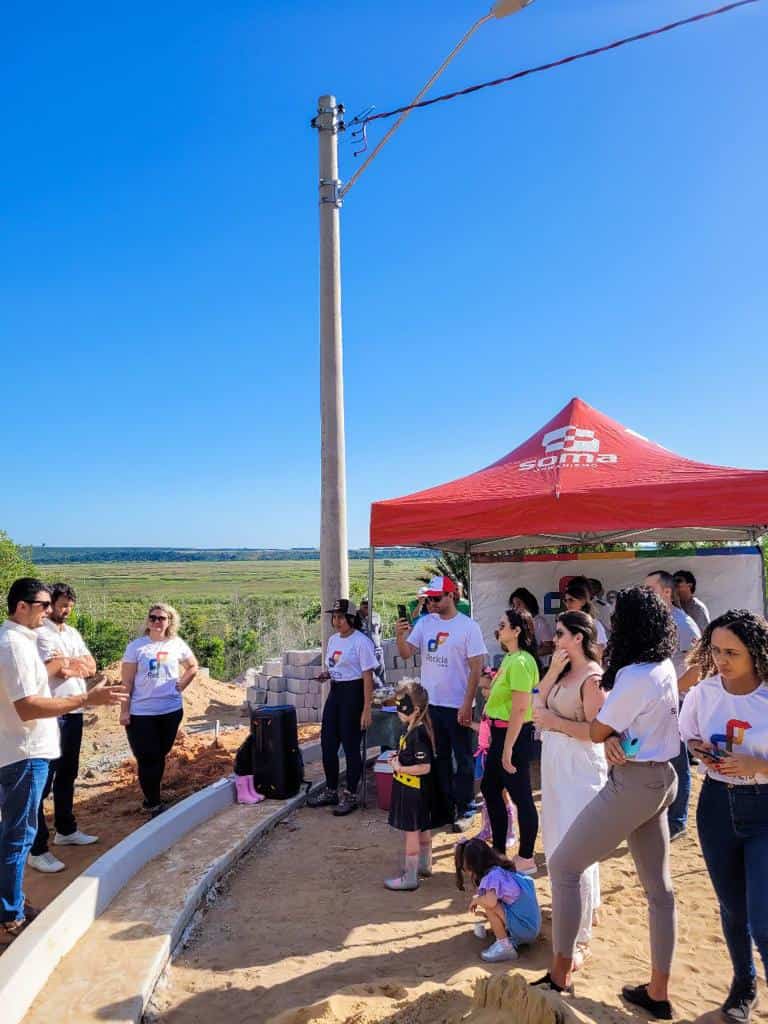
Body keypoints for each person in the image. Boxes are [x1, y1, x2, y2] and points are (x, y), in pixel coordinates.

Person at [535, 586, 679, 1020]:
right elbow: (619, 729)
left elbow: (598, 731)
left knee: (564, 865)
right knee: (660, 892)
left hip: (634, 784)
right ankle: (658, 991)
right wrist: (617, 739)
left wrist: (598, 733)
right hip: (660, 777)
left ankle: (560, 974)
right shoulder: (662, 665)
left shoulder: (633, 675)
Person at [0, 579, 126, 946]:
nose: (50, 610)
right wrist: (86, 700)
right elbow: (28, 706)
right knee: (18, 836)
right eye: (42, 604)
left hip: (23, 749)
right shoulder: (15, 646)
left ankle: (11, 903)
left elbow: (80, 666)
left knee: (14, 831)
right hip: (25, 752)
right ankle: (9, 916)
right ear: (21, 606)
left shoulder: (16, 641)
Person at [679, 609, 768, 1024]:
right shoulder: (703, 693)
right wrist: (701, 750)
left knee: (763, 917)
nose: (721, 660)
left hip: (764, 809)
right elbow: (689, 734)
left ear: (757, 653)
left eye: (732, 652)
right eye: (715, 650)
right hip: (715, 806)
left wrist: (758, 764)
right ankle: (743, 984)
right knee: (732, 908)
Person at [533, 610, 606, 963]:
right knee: (558, 840)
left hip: (579, 769)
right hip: (557, 767)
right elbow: (537, 705)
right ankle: (575, 912)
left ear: (578, 637)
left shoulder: (593, 678)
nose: (554, 638)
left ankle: (579, 937)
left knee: (576, 847)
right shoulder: (562, 671)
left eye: (560, 633)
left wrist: (554, 722)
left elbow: (597, 732)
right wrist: (549, 674)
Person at [396, 576, 487, 827]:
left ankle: (466, 808)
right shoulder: (424, 623)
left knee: (464, 758)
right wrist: (400, 636)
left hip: (458, 704)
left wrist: (467, 704)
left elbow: (476, 667)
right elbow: (406, 653)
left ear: (451, 596)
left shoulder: (468, 627)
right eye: (429, 599)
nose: (431, 603)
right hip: (431, 706)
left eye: (436, 598)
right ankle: (446, 807)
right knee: (441, 757)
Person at [28, 583, 99, 874]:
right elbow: (53, 668)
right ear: (49, 604)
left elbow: (91, 666)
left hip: (74, 709)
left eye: (70, 604)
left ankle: (66, 829)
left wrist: (70, 665)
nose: (65, 610)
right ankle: (37, 847)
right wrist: (68, 665)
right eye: (61, 604)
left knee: (68, 772)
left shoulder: (70, 633)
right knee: (43, 780)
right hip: (51, 711)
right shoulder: (38, 633)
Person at [120, 603, 199, 818]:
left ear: (169, 622)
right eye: (152, 617)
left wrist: (181, 685)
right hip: (141, 713)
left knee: (160, 755)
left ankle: (155, 795)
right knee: (147, 757)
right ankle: (152, 803)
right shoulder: (136, 647)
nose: (156, 622)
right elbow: (126, 682)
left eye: (161, 618)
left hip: (170, 710)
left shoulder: (176, 644)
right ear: (148, 620)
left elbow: (193, 666)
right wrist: (124, 711)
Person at [481, 608, 540, 873]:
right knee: (490, 788)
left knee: (520, 796)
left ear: (517, 630)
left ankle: (526, 856)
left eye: (503, 625)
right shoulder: (511, 658)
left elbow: (519, 709)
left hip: (512, 735)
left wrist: (506, 749)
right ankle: (500, 852)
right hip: (501, 734)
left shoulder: (520, 662)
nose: (499, 628)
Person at [645, 569, 701, 840]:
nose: (646, 594)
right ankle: (662, 813)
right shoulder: (653, 622)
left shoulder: (683, 623)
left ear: (666, 592)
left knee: (678, 761)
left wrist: (670, 691)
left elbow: (699, 666)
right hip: (656, 704)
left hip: (677, 703)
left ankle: (677, 820)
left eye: (650, 588)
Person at [307, 599, 377, 816]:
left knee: (350, 746)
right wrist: (326, 675)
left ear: (351, 618)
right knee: (327, 743)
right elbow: (336, 666)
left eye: (340, 617)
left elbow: (367, 677)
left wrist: (366, 708)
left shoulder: (361, 642)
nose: (336, 621)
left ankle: (351, 794)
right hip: (335, 692)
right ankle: (331, 790)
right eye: (334, 617)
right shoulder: (333, 640)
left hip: (353, 694)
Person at [384, 682, 436, 891]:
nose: (398, 710)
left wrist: (399, 767)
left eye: (402, 706)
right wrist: (400, 758)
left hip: (413, 790)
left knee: (411, 832)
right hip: (416, 790)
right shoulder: (413, 729)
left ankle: (410, 875)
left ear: (415, 710)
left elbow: (424, 767)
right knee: (422, 828)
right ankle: (424, 865)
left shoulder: (418, 733)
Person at [455, 838, 541, 963]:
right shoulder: (501, 869)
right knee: (489, 903)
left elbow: (491, 903)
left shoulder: (492, 877)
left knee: (490, 906)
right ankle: (506, 936)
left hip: (526, 929)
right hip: (531, 925)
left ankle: (505, 947)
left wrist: (477, 900)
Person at [562, 580, 607, 658]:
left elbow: (599, 652)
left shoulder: (594, 624)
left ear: (583, 602)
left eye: (571, 600)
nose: (567, 604)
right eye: (565, 600)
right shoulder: (564, 623)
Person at [509, 587, 554, 660]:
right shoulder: (514, 623)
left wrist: (527, 654)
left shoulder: (539, 622)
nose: (515, 608)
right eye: (513, 605)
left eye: (519, 604)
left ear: (528, 603)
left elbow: (548, 648)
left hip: (537, 667)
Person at [358, 596, 386, 688]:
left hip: (377, 651)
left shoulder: (376, 616)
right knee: (370, 679)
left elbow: (380, 631)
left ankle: (382, 697)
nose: (367, 607)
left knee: (381, 677)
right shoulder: (356, 617)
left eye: (369, 605)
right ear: (360, 606)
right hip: (365, 653)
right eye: (364, 605)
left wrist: (378, 644)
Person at [672, 570, 710, 634]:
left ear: (689, 585)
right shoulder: (672, 606)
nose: (675, 584)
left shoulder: (698, 607)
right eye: (673, 582)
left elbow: (704, 634)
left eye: (678, 581)